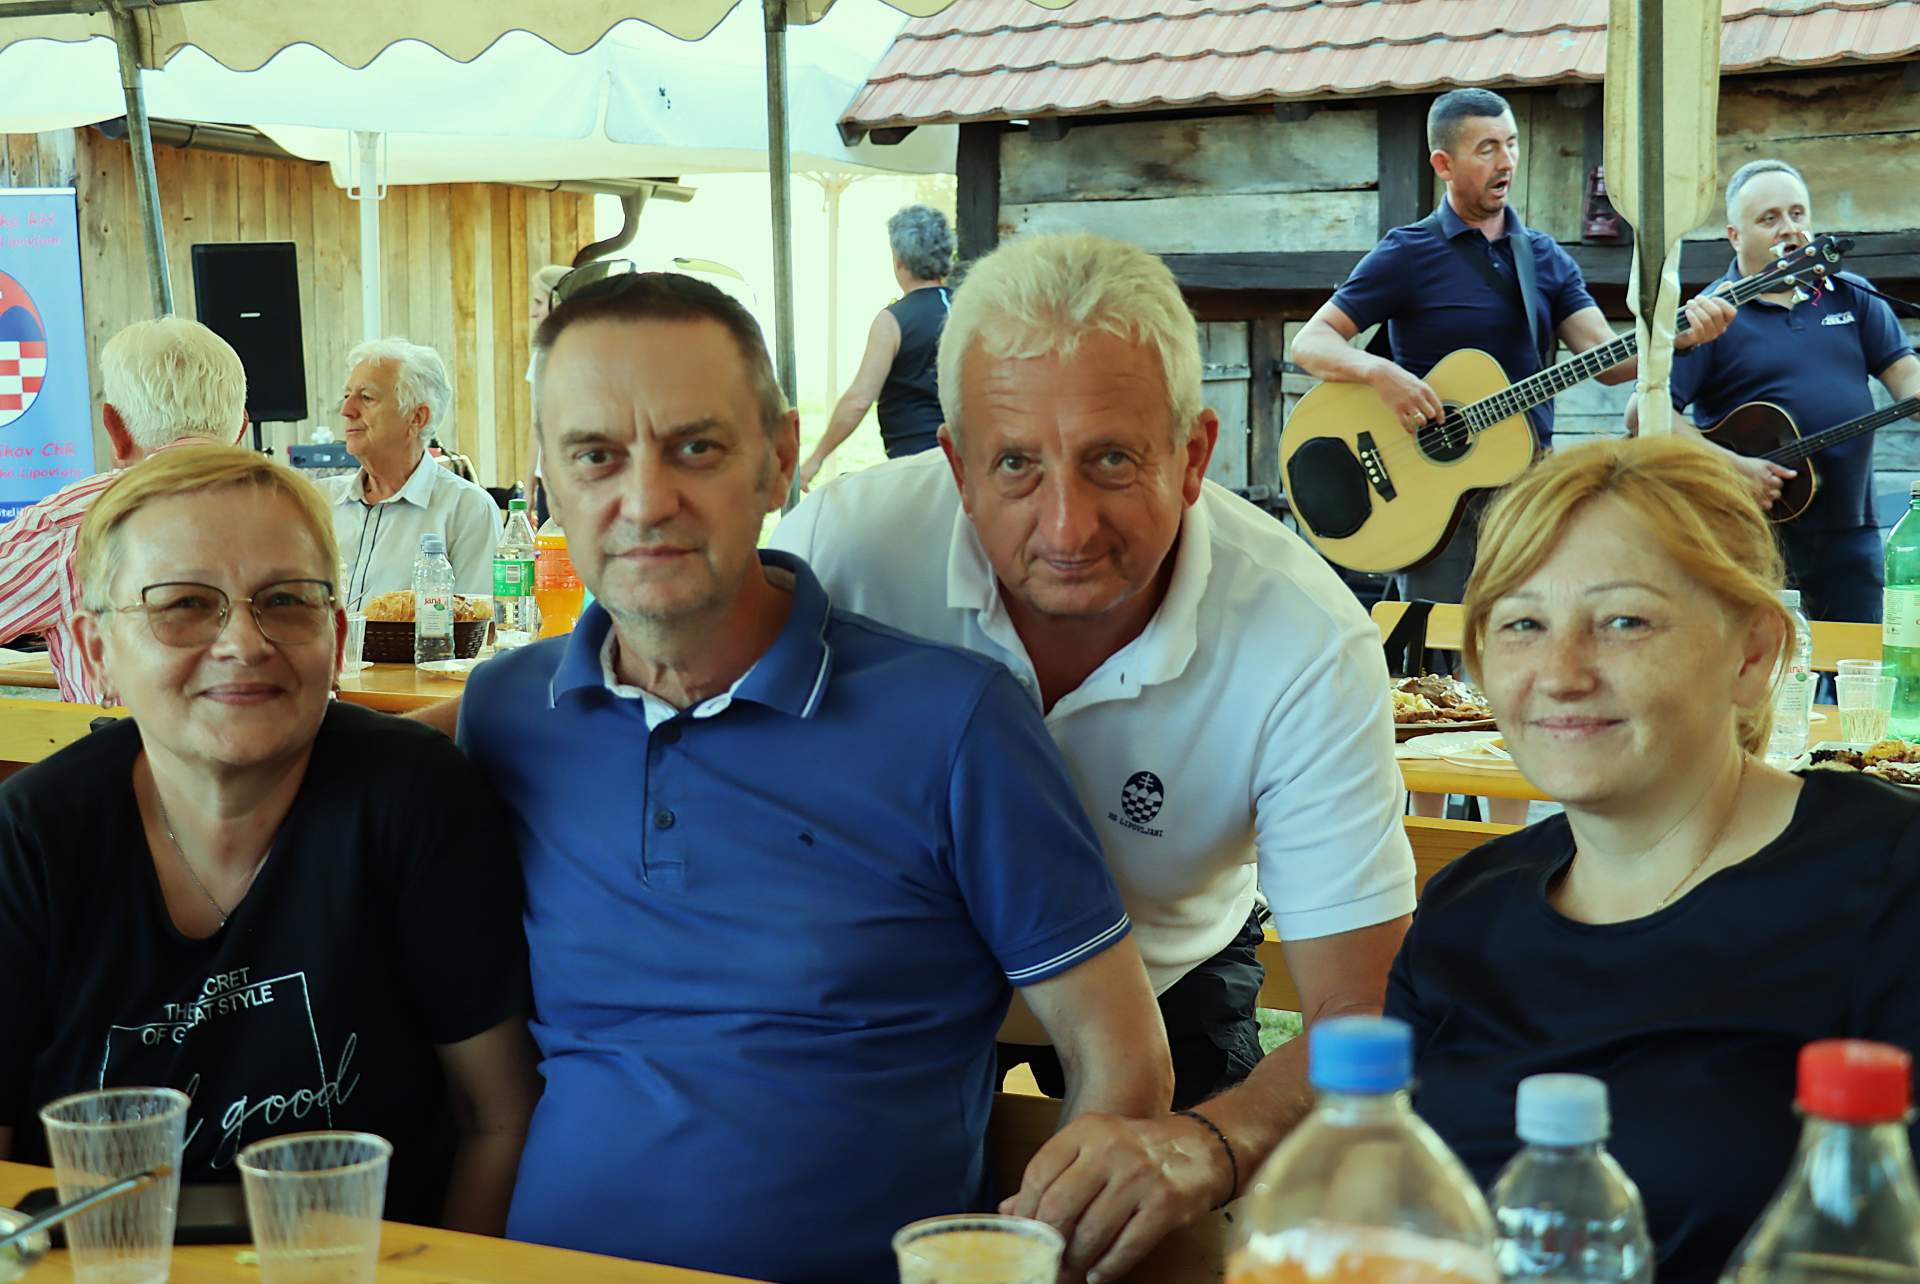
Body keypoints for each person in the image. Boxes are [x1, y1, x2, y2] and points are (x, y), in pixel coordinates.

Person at [455, 266, 1171, 1284]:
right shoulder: (508, 715)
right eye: (596, 455)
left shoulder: (954, 723)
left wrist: (1030, 1260)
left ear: (780, 460)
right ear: (547, 475)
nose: (645, 500)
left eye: (695, 448)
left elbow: (1123, 1060)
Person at [773, 231, 1418, 1283]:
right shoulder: (842, 551)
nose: (1067, 527)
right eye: (1016, 465)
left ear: (1195, 456)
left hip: (1173, 974)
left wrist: (1209, 1145)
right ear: (955, 466)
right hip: (896, 989)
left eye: (1113, 459)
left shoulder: (1304, 636)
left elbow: (1365, 1012)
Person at [1385, 436, 1920, 1282]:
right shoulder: (1463, 912)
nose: (1561, 674)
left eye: (1623, 622)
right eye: (1523, 624)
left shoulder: (1890, 881)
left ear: (1751, 653)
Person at [0, 444, 539, 1231]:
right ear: (94, 649)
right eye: (184, 604)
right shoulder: (31, 838)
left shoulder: (414, 799)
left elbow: (497, 1119)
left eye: (286, 600)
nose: (245, 642)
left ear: (336, 634)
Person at [1291, 86, 1733, 606]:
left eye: (1512, 143)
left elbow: (1607, 358)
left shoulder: (1545, 258)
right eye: (1487, 149)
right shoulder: (1407, 253)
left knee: (1527, 632)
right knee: (1438, 648)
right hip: (1428, 495)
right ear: (1443, 164)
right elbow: (1311, 342)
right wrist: (1380, 374)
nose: (1506, 161)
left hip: (1525, 494)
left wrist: (1678, 338)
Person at [1665, 159, 1920, 624]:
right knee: (1763, 661)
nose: (1788, 228)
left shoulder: (1852, 293)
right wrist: (1734, 467)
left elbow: (1906, 377)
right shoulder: (1711, 314)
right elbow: (1647, 414)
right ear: (1734, 236)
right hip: (1750, 536)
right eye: (1769, 218)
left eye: (1797, 213)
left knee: (1856, 659)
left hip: (1850, 532)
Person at [0, 317, 247, 704]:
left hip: (123, 742)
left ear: (115, 429)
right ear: (241, 429)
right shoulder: (301, 510)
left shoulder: (73, 523)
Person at [325, 337, 500, 610]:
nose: (347, 411)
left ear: (417, 418)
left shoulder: (467, 510)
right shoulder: (318, 501)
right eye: (347, 396)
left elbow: (478, 627)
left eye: (367, 398)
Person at [796, 204, 954, 490]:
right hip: (966, 462)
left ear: (899, 260)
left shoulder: (892, 321)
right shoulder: (971, 309)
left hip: (914, 468)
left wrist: (815, 460)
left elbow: (859, 400)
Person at [520, 263, 569, 525]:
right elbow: (537, 423)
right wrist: (529, 488)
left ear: (557, 302)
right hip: (547, 481)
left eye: (539, 302)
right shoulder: (541, 355)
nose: (533, 312)